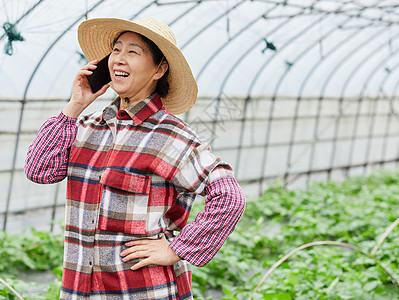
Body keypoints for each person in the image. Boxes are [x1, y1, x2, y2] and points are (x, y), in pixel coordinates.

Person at [25, 17, 245, 300]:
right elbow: (39, 171)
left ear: (159, 69)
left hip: (142, 292)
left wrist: (176, 249)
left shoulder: (172, 136)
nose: (119, 59)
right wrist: (75, 105)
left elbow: (230, 197)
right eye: (116, 50)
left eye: (133, 52)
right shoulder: (88, 126)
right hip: (79, 291)